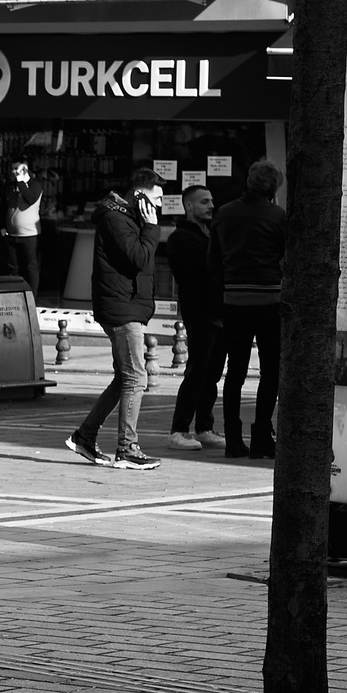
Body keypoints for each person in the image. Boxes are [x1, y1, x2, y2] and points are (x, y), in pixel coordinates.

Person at [64, 168, 163, 471]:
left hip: (127, 304)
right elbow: (139, 258)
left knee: (124, 378)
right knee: (136, 377)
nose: (158, 206)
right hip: (121, 307)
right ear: (139, 196)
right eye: (156, 199)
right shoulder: (117, 219)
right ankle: (128, 448)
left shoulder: (127, 217)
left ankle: (85, 436)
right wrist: (152, 227)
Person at [215, 157, 288, 461]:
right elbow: (287, 256)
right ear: (273, 187)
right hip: (269, 301)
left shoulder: (225, 213)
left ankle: (233, 438)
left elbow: (213, 259)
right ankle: (261, 435)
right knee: (270, 371)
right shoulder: (277, 217)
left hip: (233, 301)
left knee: (235, 372)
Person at [163, 184, 224, 452]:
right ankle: (179, 429)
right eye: (204, 202)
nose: (211, 205)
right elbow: (200, 270)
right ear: (189, 206)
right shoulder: (181, 238)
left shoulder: (213, 234)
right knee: (197, 370)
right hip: (199, 312)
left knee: (212, 373)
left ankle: (204, 426)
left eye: (211, 200)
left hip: (220, 311)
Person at [0, 160, 45, 292]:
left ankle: (32, 297)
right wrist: (2, 226)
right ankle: (14, 295)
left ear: (25, 170)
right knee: (12, 267)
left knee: (30, 266)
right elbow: (3, 206)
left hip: (29, 235)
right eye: (13, 169)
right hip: (11, 234)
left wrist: (21, 182)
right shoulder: (10, 186)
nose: (14, 172)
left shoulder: (35, 185)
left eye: (17, 169)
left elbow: (30, 199)